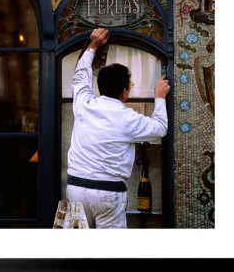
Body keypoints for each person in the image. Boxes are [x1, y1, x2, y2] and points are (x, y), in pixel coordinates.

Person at [66, 28, 170, 229]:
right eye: (130, 86)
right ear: (124, 92)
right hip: (108, 192)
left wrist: (92, 47)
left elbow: (80, 75)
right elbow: (160, 128)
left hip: (75, 188)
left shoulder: (84, 104)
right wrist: (159, 97)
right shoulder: (127, 118)